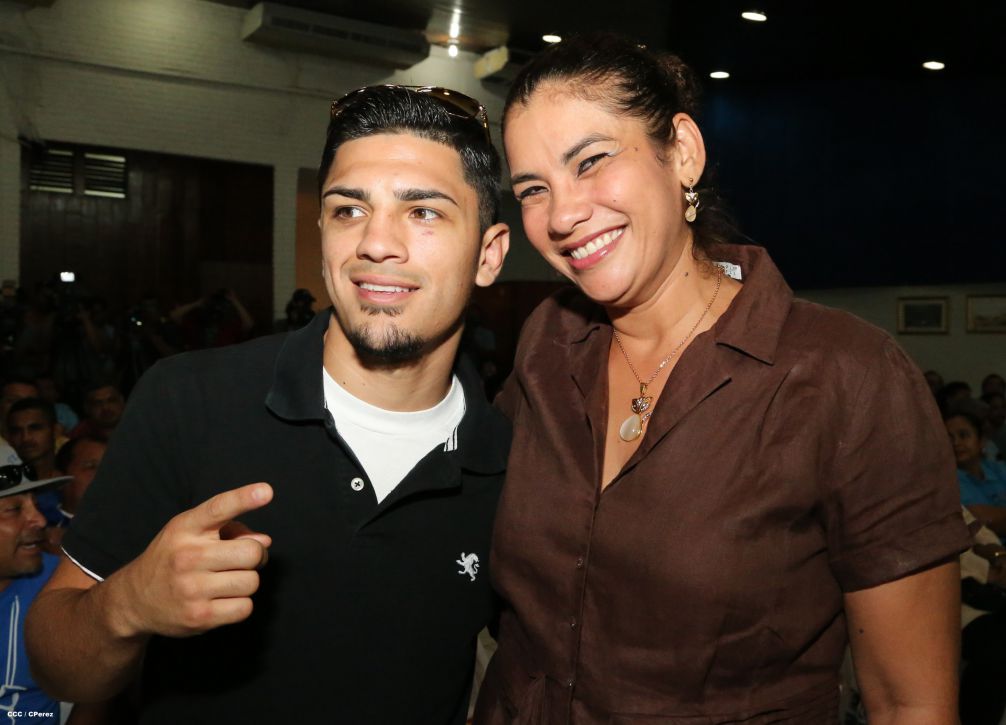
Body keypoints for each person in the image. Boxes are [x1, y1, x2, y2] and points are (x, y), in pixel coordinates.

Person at [474, 33, 970, 724]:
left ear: (682, 151)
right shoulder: (545, 345)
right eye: (533, 189)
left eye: (591, 161)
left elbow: (910, 701)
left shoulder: (846, 376)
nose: (561, 215)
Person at [25, 85, 510, 725]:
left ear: (489, 253)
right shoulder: (190, 399)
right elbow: (56, 665)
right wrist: (128, 605)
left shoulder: (513, 463)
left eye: (423, 212)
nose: (376, 243)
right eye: (348, 210)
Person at [0, 464, 70, 723]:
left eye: (35, 504)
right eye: (15, 509)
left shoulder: (61, 585)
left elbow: (101, 692)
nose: (40, 520)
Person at [948, 409, 1006, 538]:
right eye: (949, 438)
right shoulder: (948, 481)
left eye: (963, 435)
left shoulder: (999, 469)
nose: (956, 443)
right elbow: (974, 519)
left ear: (981, 441)